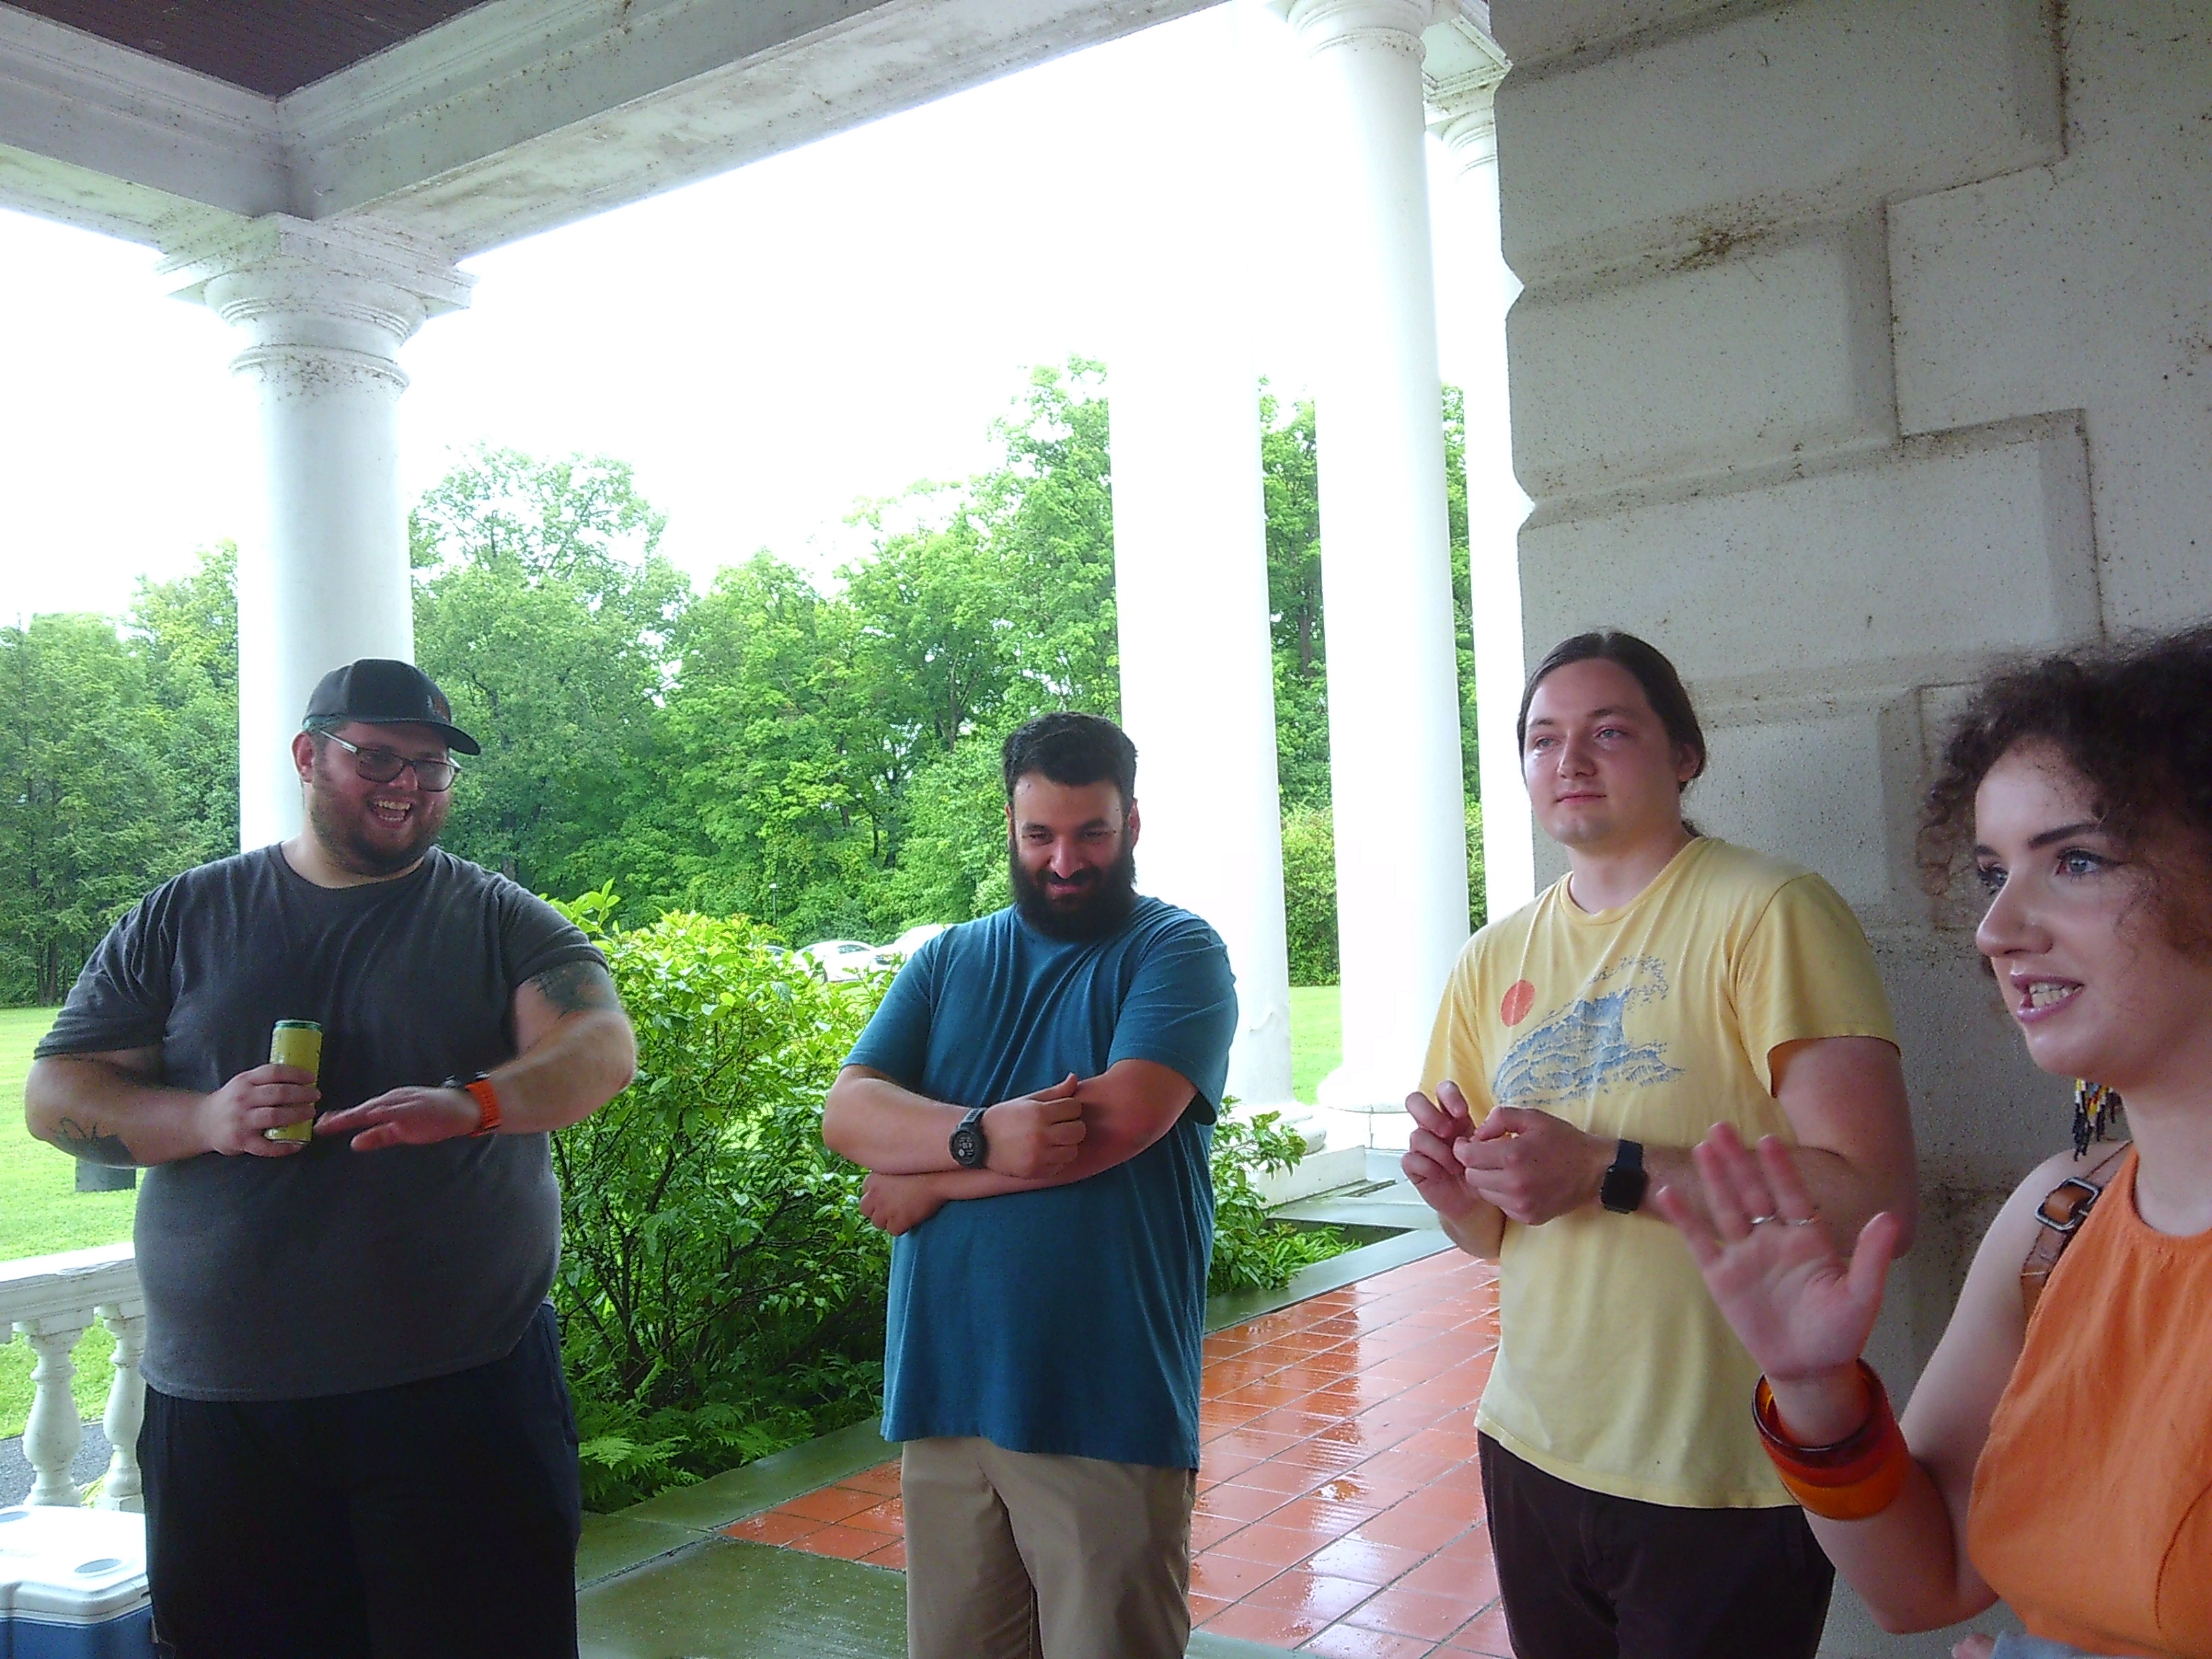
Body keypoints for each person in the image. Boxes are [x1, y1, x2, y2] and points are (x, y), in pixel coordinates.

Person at [24, 658, 636, 1659]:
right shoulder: (185, 916)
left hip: (462, 1400)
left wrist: (473, 1103)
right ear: (310, 755)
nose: (406, 784)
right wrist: (207, 1119)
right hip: (225, 1415)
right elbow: (57, 1096)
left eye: (431, 768)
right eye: (378, 758)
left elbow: (598, 1051)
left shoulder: (498, 917)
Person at [1654, 625, 2212, 1659]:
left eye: (2077, 861)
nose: (1998, 929)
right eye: (1995, 872)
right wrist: (1819, 1394)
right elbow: (1929, 1579)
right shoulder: (2059, 1218)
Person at [1401, 630, 1921, 1659]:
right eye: (1543, 739)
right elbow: (1499, 1236)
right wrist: (1459, 1190)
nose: (1571, 761)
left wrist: (1605, 1167)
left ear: (1684, 753)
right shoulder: (1491, 958)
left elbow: (1875, 1199)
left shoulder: (1768, 911)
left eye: (1609, 730)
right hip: (1532, 1448)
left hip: (1720, 1472)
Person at [821, 711, 1236, 1659]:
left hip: (1103, 1405)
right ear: (1008, 826)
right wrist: (983, 1136)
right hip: (944, 1398)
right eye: (1040, 834)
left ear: (1132, 823)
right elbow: (848, 1114)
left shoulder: (1176, 952)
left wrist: (934, 1181)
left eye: (1092, 832)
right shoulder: (949, 959)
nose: (1065, 861)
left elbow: (1121, 1119)